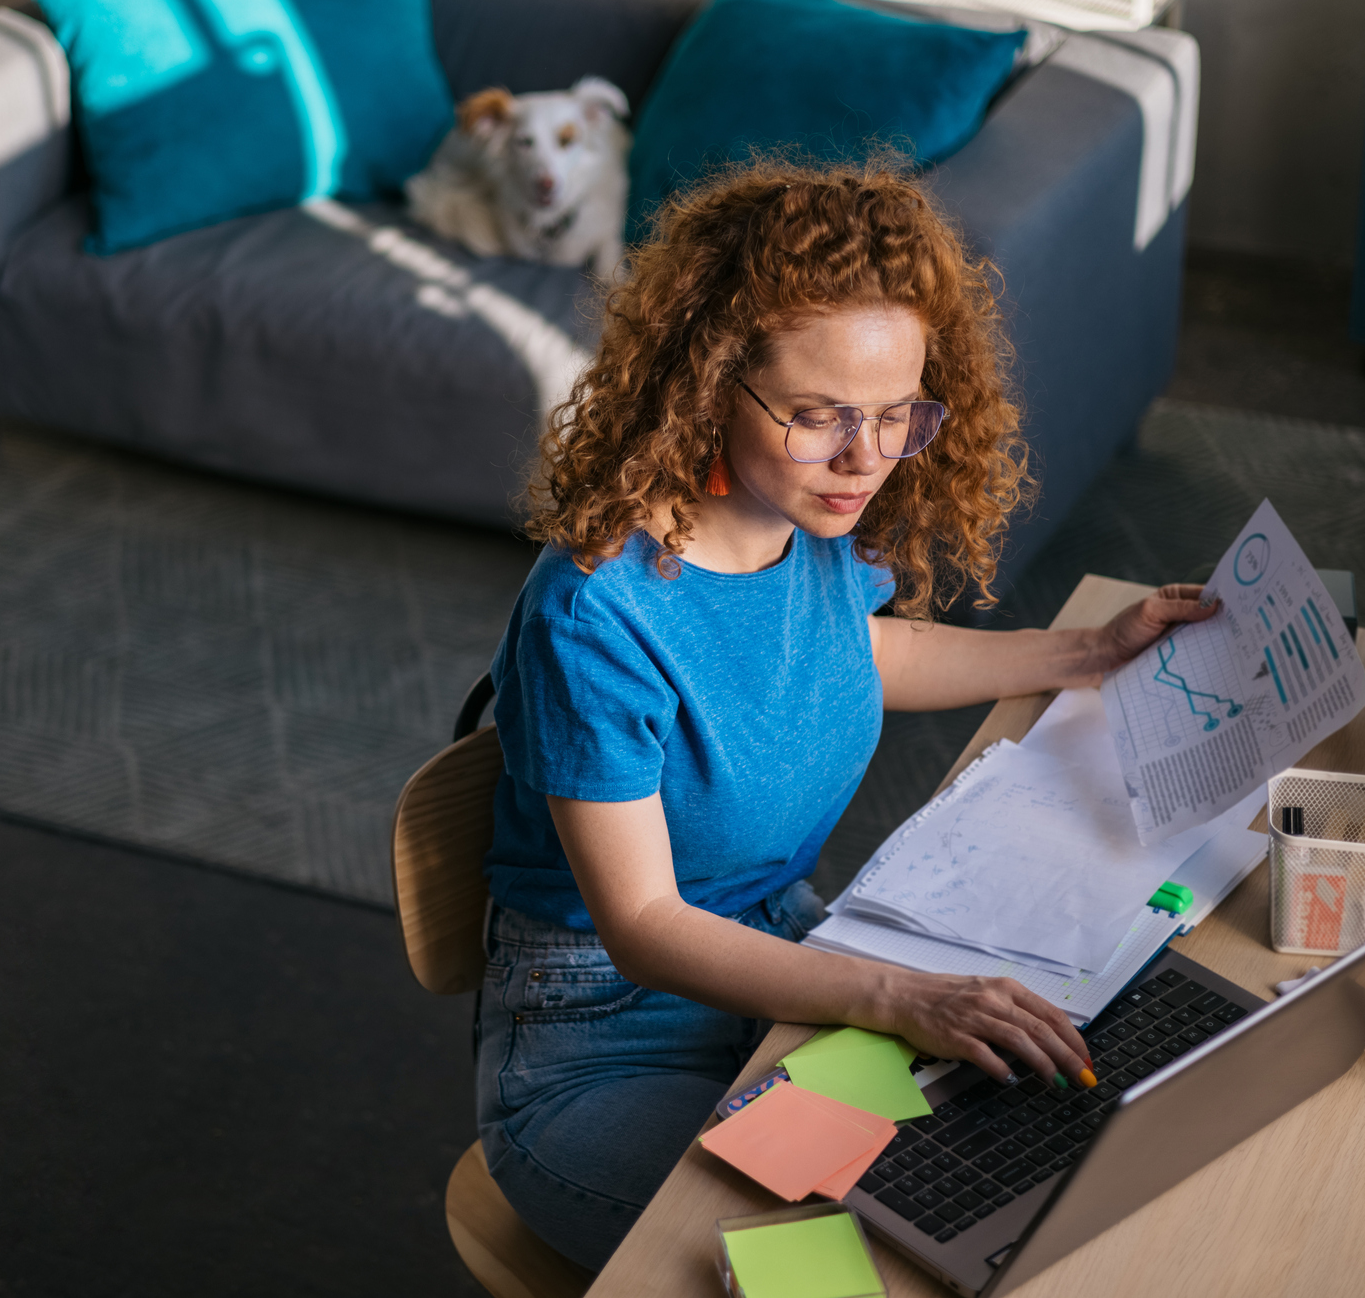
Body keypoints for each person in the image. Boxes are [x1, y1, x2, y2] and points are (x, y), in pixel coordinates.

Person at [477, 159, 1217, 1270]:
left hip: (782, 950)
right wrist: (893, 995)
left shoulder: (807, 528)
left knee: (1003, 1185)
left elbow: (866, 650)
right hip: (600, 1035)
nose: (863, 458)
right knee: (842, 1260)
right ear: (708, 381)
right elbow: (645, 924)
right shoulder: (595, 611)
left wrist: (1084, 651)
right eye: (818, 414)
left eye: (894, 415)